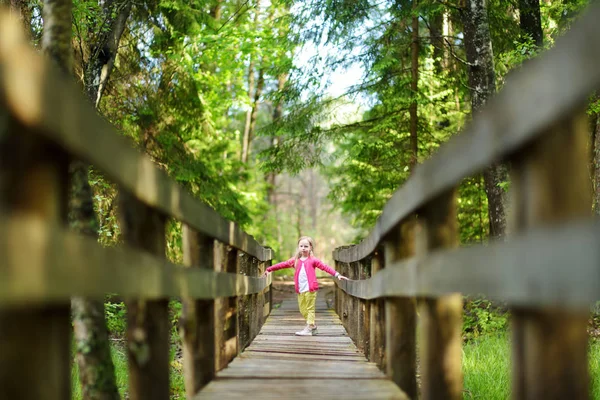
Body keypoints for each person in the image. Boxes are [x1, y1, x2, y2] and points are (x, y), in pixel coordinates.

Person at [263, 236, 348, 336]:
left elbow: (325, 267)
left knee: (310, 309)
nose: (303, 248)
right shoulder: (295, 260)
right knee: (302, 309)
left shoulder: (313, 260)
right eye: (301, 246)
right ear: (298, 247)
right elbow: (282, 264)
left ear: (310, 247)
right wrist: (270, 269)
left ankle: (309, 328)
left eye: (306, 246)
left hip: (311, 289)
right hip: (300, 289)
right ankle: (313, 327)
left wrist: (336, 274)